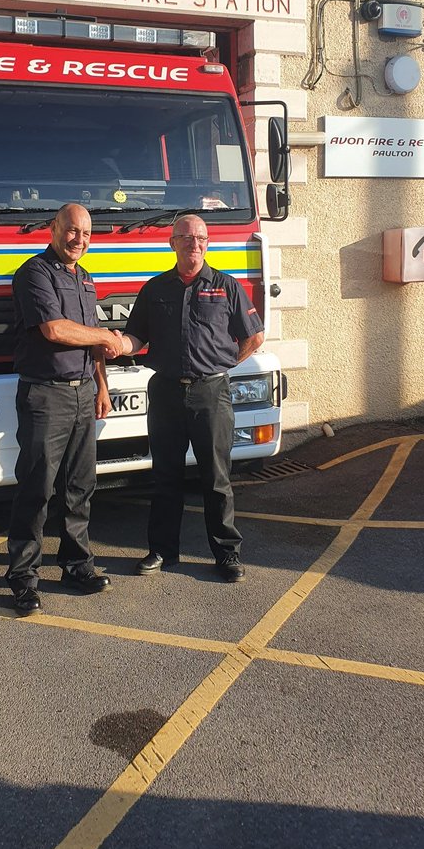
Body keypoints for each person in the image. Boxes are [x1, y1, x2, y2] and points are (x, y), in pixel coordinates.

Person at [115, 214, 265, 581]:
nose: (193, 243)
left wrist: (224, 364)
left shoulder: (226, 286)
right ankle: (162, 552)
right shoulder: (155, 289)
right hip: (165, 391)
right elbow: (135, 337)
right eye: (185, 237)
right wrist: (115, 345)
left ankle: (227, 554)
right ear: (172, 244)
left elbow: (254, 337)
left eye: (199, 238)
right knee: (165, 476)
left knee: (216, 478)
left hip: (211, 393)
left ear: (207, 244)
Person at [7, 203, 123, 615]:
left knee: (79, 487)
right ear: (53, 229)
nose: (79, 240)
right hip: (45, 395)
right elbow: (55, 330)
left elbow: (89, 342)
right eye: (72, 231)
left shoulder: (85, 279)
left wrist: (102, 386)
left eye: (86, 234)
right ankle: (23, 578)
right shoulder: (34, 273)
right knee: (36, 488)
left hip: (82, 393)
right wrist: (108, 335)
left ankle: (77, 565)